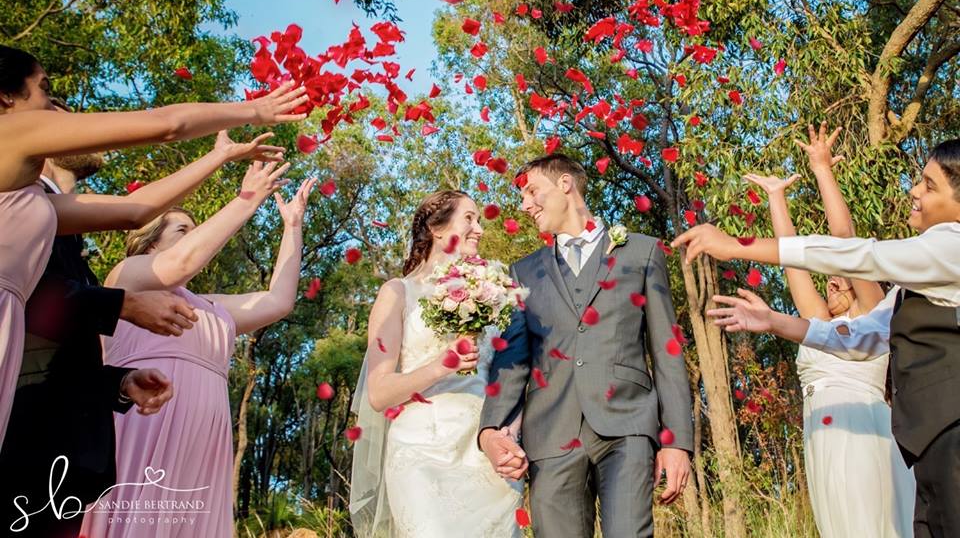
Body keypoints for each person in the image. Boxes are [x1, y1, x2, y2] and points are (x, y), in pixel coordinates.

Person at [0, 44, 308, 448]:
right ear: (6, 96)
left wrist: (219, 157)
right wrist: (257, 109)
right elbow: (168, 125)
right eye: (43, 89)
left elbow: (134, 209)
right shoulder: (11, 130)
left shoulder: (32, 199)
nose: (52, 104)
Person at [0, 116, 285, 536]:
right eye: (61, 115)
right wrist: (244, 187)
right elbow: (47, 306)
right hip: (45, 418)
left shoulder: (55, 218)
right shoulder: (32, 206)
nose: (84, 127)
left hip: (100, 432)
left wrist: (118, 383)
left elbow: (138, 210)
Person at [674, 139, 960, 537]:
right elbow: (859, 337)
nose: (914, 191)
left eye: (929, 186)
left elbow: (858, 252)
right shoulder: (913, 287)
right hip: (928, 443)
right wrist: (771, 321)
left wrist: (737, 246)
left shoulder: (953, 246)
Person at [80, 162, 313, 537]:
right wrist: (249, 196)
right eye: (183, 230)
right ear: (151, 242)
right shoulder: (126, 279)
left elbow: (278, 301)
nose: (195, 237)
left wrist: (293, 226)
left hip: (203, 448)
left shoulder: (209, 306)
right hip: (149, 428)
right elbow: (181, 264)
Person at [479, 154, 693, 537]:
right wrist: (490, 430)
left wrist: (676, 441)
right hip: (550, 436)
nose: (525, 204)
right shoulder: (523, 272)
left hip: (627, 426)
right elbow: (513, 360)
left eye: (532, 191)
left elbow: (666, 349)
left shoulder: (641, 251)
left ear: (565, 184)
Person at [743, 123, 914, 537]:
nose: (832, 282)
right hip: (821, 434)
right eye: (831, 278)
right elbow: (793, 263)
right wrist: (775, 197)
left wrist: (822, 170)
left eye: (841, 277)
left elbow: (844, 239)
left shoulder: (874, 316)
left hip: (862, 431)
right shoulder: (819, 321)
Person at [350, 190, 523, 538]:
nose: (479, 229)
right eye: (469, 218)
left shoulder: (494, 292)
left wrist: (509, 433)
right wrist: (441, 366)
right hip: (420, 452)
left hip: (482, 452)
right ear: (436, 229)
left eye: (479, 219)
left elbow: (514, 376)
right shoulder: (397, 293)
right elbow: (379, 393)